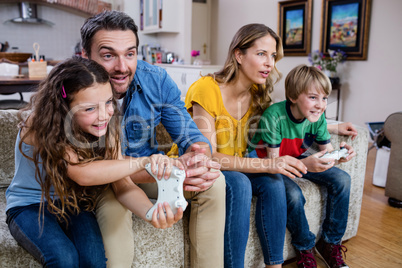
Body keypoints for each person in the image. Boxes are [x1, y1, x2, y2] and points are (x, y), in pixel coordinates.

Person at [185, 24, 358, 268]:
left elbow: (283, 119)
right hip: (211, 165)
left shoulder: (258, 91)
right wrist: (268, 163)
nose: (270, 63)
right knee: (241, 182)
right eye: (261, 54)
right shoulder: (206, 89)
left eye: (273, 55)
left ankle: (274, 265)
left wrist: (332, 127)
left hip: (241, 162)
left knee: (275, 182)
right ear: (238, 54)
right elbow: (211, 156)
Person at [5, 57, 184, 268]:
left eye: (108, 102)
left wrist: (151, 212)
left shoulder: (110, 127)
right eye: (89, 109)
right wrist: (142, 162)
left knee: (94, 260)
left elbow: (123, 185)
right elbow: (81, 173)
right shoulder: (39, 123)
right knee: (64, 259)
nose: (103, 116)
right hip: (29, 206)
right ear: (64, 107)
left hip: (72, 204)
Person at [80, 11, 225, 267]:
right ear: (85, 55)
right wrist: (160, 169)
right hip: (101, 182)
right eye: (108, 55)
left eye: (130, 53)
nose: (122, 67)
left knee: (214, 183)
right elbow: (100, 172)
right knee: (114, 209)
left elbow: (193, 137)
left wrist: (198, 158)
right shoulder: (74, 89)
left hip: (144, 173)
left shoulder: (156, 81)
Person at [249, 64, 356, 268]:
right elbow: (277, 163)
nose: (321, 105)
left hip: (294, 156)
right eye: (313, 97)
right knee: (294, 194)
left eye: (324, 98)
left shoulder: (318, 117)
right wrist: (306, 164)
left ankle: (330, 244)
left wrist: (339, 155)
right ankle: (305, 247)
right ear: (294, 97)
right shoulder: (274, 116)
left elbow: (327, 151)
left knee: (342, 179)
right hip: (269, 162)